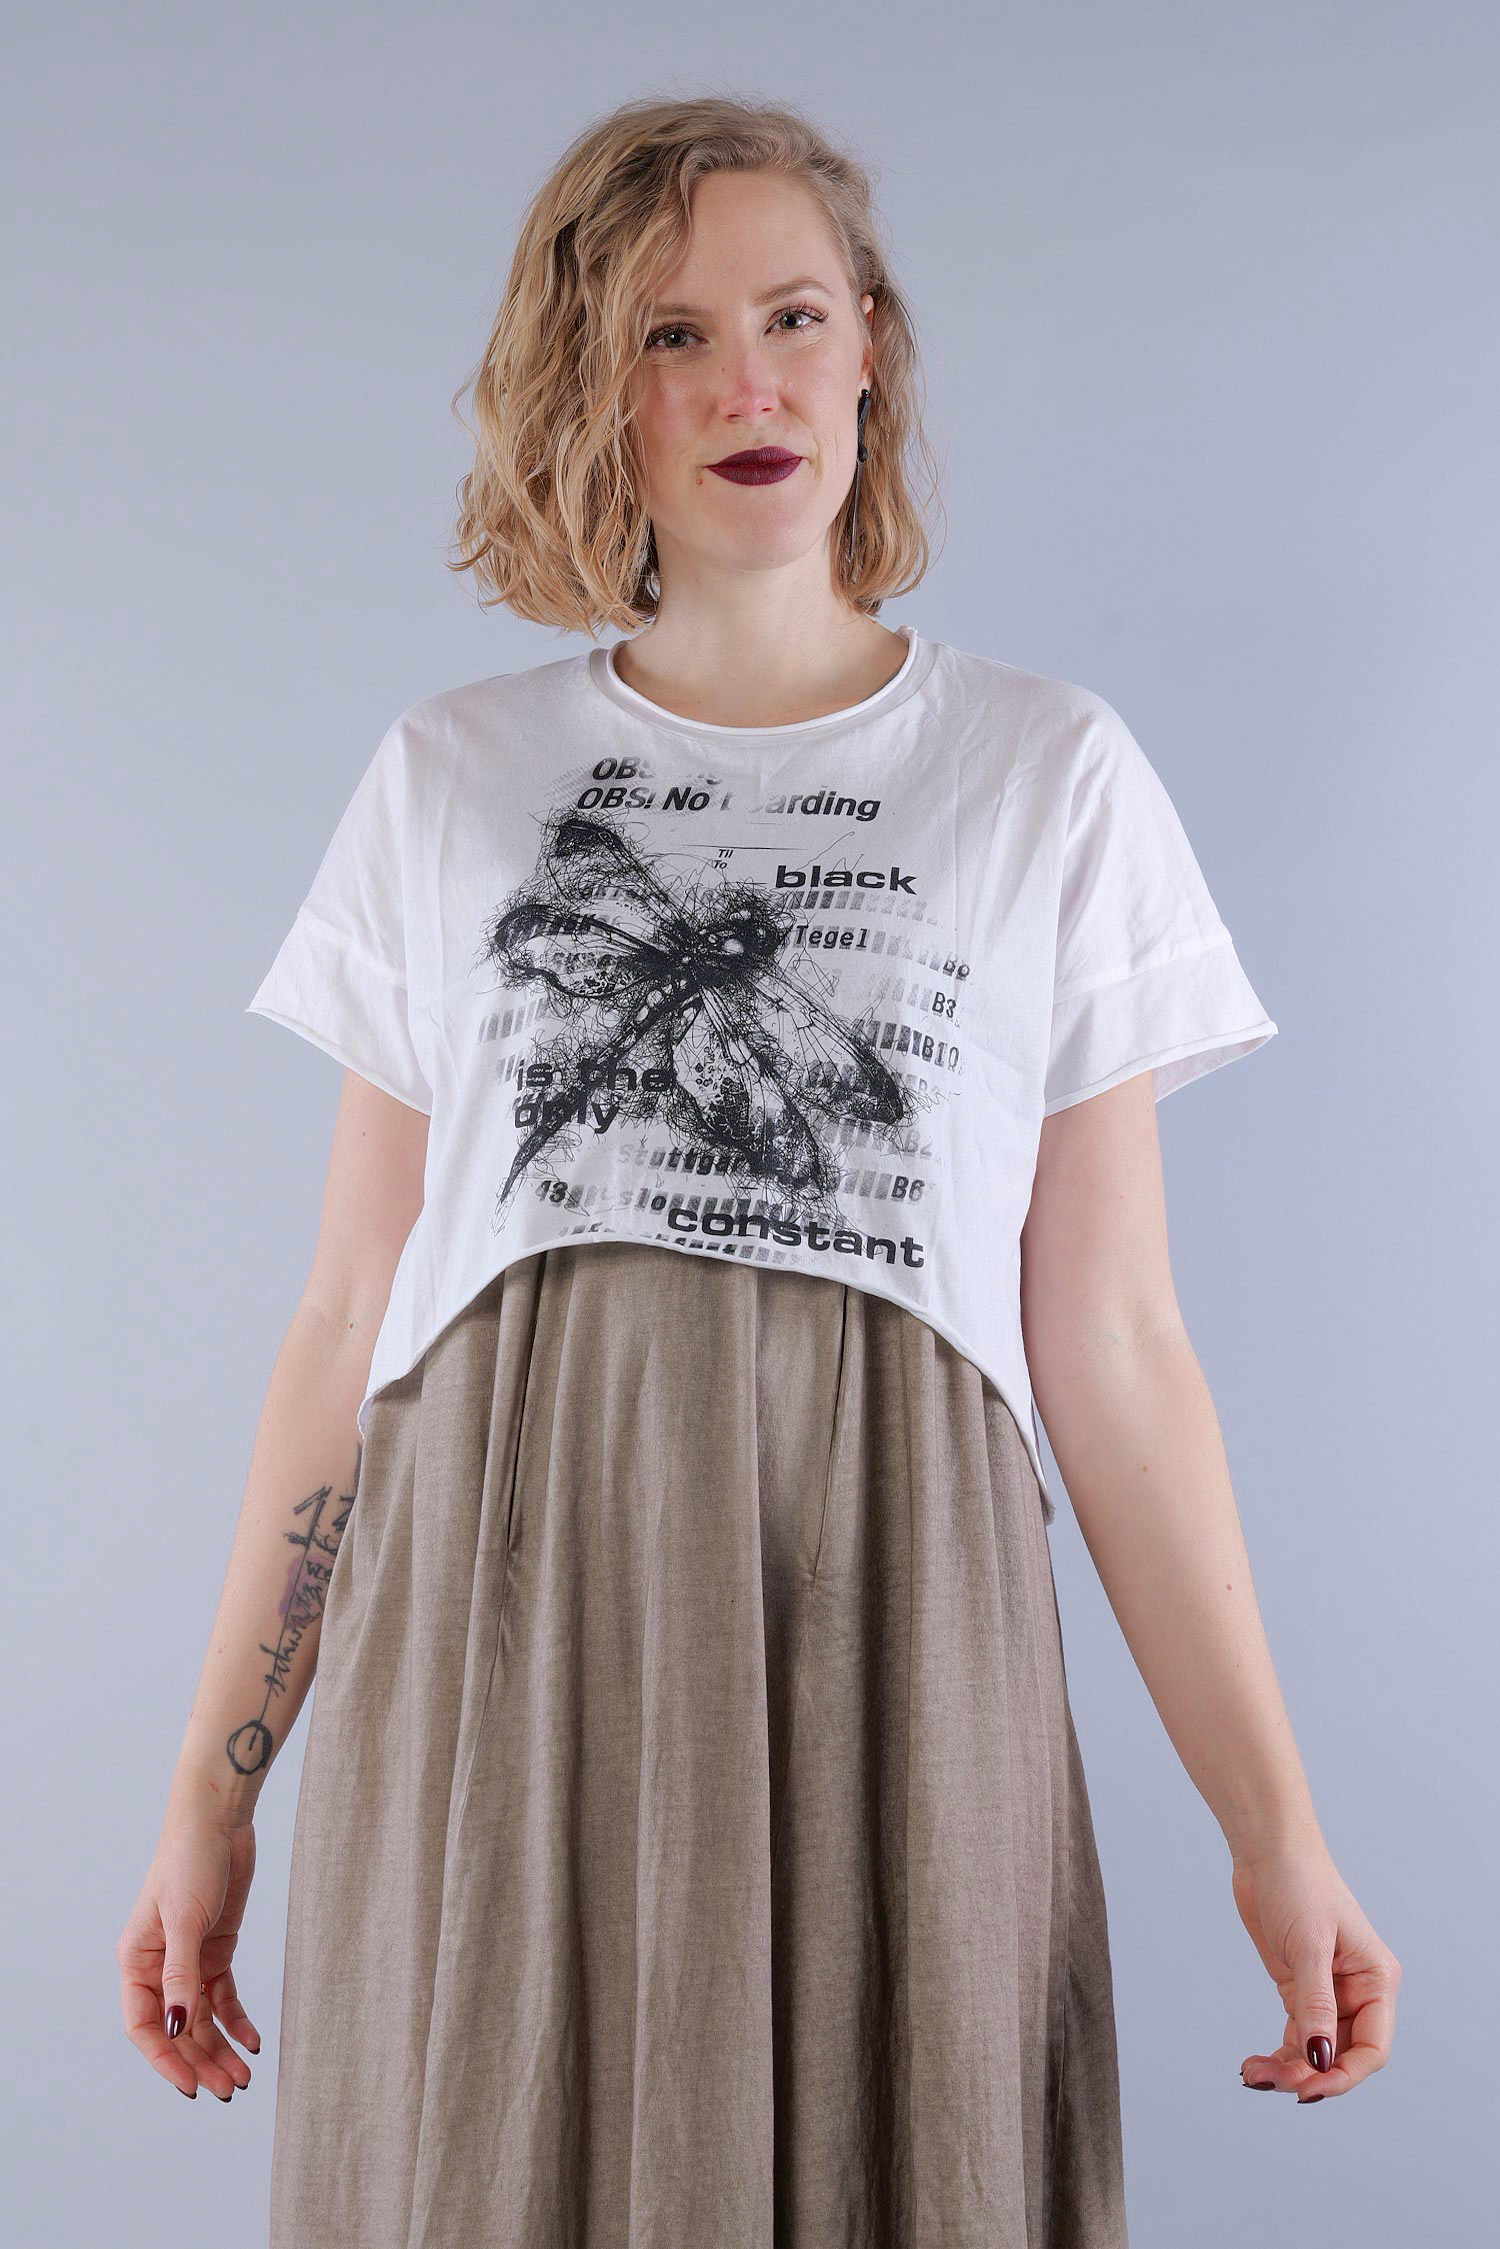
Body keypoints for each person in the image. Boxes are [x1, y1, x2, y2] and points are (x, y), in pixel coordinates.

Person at [118, 91, 1400, 2246]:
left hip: (891, 1599)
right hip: (509, 1619)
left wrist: (1275, 1833)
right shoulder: (453, 778)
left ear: (871, 344)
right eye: (673, 334)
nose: (748, 384)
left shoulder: (1046, 772)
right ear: (589, 386)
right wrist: (210, 1790)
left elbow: (1112, 1343)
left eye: (795, 316)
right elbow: (351, 1314)